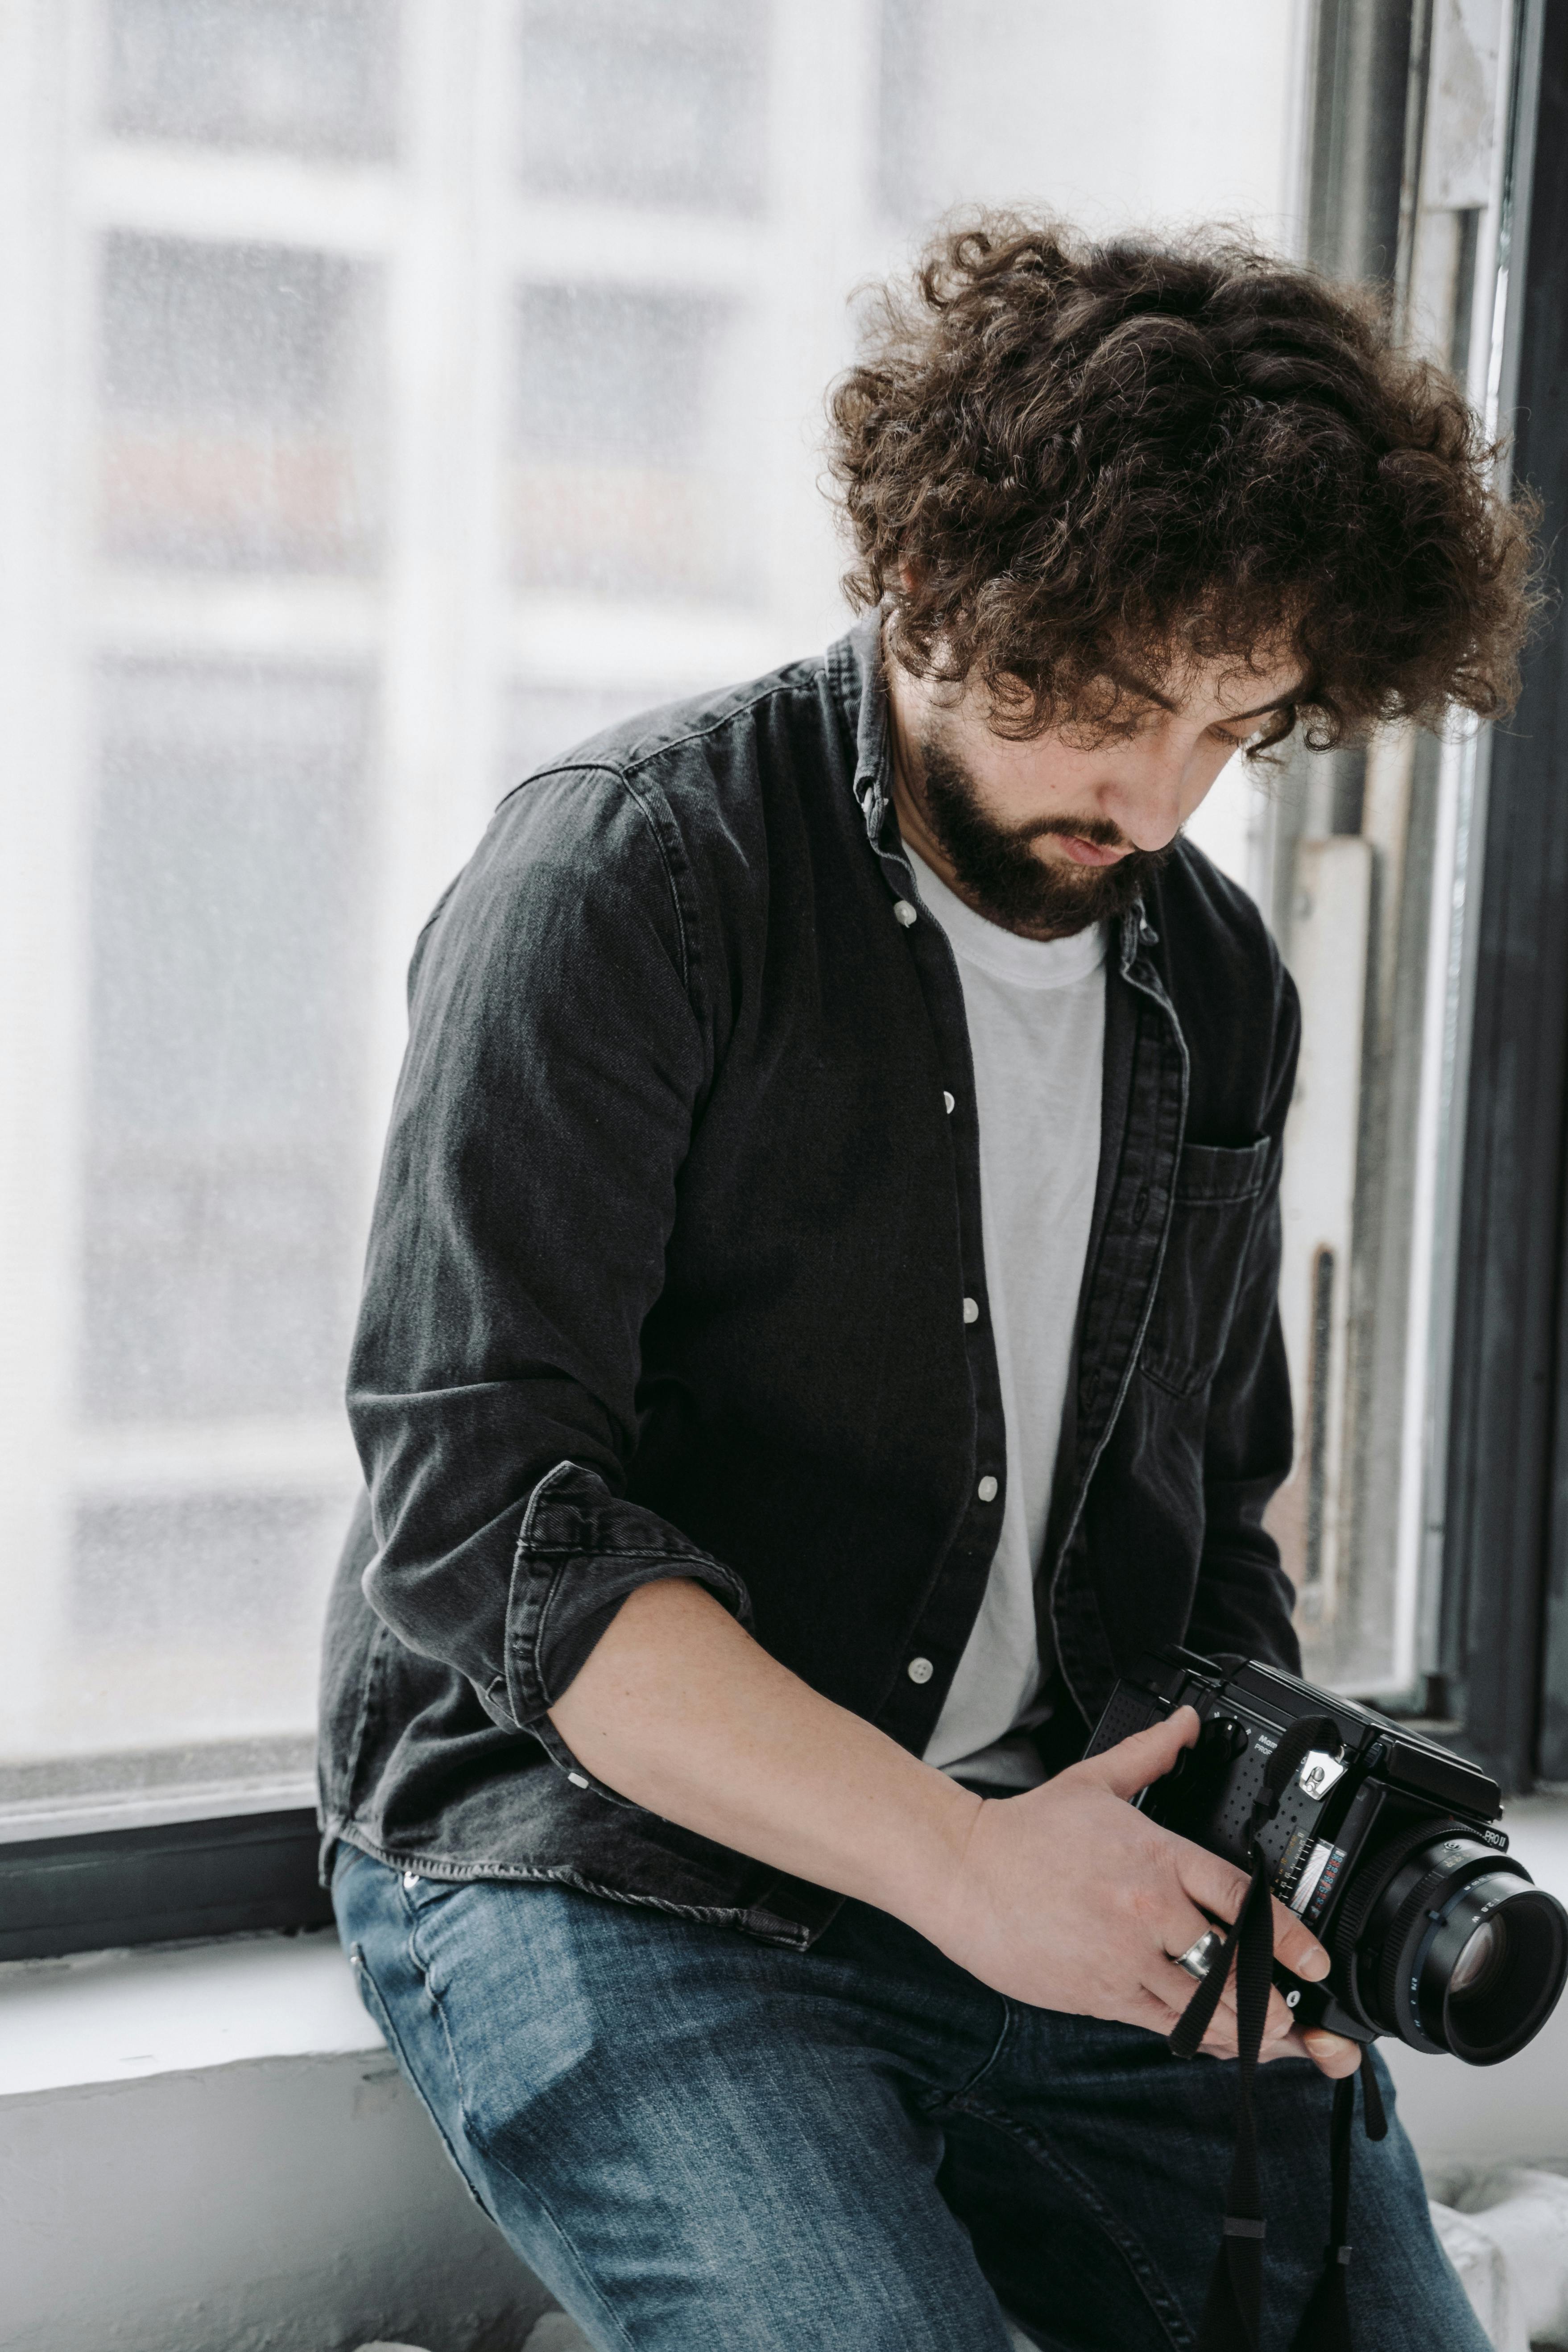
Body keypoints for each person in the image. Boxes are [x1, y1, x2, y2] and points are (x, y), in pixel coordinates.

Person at [321, 218, 1534, 2350]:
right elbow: (489, 1522)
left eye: (1234, 727)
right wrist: (956, 1869)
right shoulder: (625, 880)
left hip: (1034, 1847)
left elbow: (1199, 1527)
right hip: (615, 1861)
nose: (1156, 800)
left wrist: (1248, 1864)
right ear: (940, 578)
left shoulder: (1211, 980)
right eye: (1109, 706)